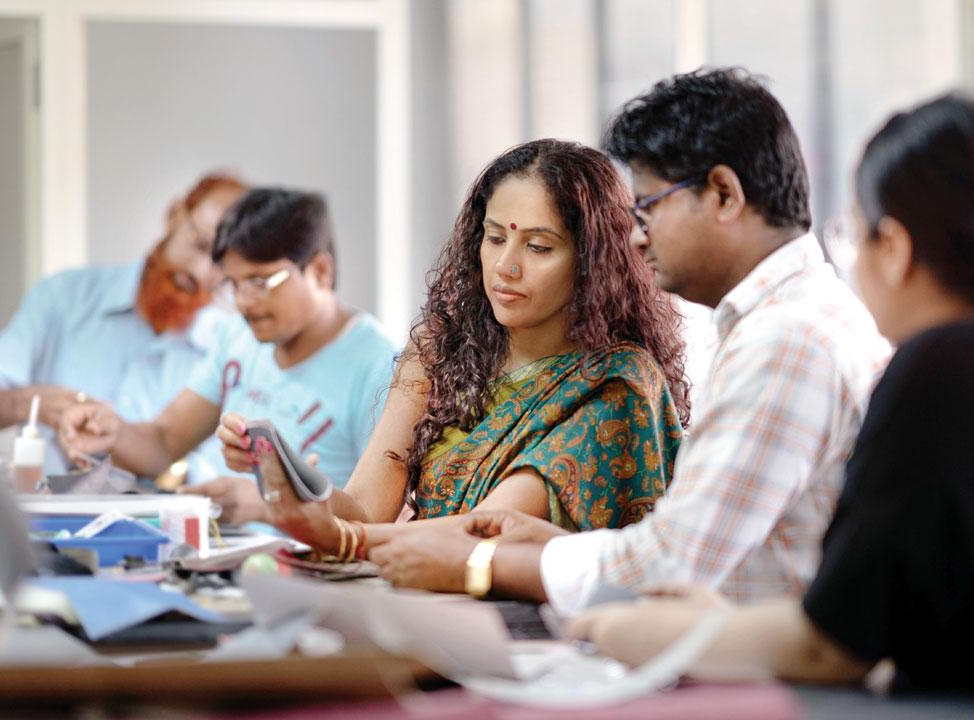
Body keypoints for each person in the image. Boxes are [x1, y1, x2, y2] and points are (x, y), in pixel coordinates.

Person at [569, 95, 974, 718]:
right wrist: (724, 624)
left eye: (853, 235)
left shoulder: (945, 368)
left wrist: (638, 629)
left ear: (893, 247)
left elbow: (831, 651)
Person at [366, 68, 889, 604]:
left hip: (763, 675)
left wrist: (482, 564)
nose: (637, 238)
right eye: (494, 238)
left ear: (724, 195)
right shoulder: (782, 323)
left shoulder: (785, 342)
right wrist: (543, 546)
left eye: (649, 209)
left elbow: (672, 565)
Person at [229, 139, 691, 554]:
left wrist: (340, 537)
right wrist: (290, 479)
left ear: (594, 262)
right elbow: (366, 509)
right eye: (494, 238)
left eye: (538, 247)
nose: (506, 266)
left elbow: (479, 533)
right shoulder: (442, 349)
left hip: (527, 626)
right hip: (415, 591)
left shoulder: (616, 384)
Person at [60, 188, 398, 519]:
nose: (243, 302)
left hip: (316, 572)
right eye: (232, 284)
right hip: (226, 557)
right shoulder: (239, 336)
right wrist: (114, 432)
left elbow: (377, 519)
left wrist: (270, 506)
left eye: (260, 281)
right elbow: (164, 442)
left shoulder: (381, 368)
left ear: (320, 272)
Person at [0, 173, 246, 475]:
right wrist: (29, 403)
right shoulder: (63, 297)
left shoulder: (227, 343)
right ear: (175, 215)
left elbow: (174, 451)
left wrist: (173, 468)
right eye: (199, 246)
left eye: (221, 264)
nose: (201, 273)